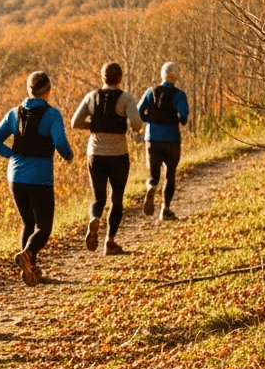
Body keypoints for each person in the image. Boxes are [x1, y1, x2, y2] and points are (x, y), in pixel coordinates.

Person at [0, 71, 74, 286]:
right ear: (48, 90)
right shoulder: (52, 115)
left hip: (15, 177)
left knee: (28, 222)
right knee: (44, 228)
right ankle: (27, 256)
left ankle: (30, 270)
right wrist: (69, 156)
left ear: (29, 89)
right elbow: (61, 143)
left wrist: (13, 156)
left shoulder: (14, 113)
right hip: (40, 178)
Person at [71, 62, 142, 255]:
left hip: (95, 154)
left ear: (103, 78)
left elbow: (74, 122)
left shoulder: (91, 97)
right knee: (116, 198)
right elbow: (136, 124)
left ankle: (94, 218)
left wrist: (95, 126)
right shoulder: (125, 98)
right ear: (119, 78)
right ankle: (110, 241)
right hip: (118, 155)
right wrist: (134, 127)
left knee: (98, 198)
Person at [137, 61, 190, 220]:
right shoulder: (179, 95)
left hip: (152, 138)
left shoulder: (150, 91)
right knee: (170, 175)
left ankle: (151, 185)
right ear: (176, 76)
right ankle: (165, 210)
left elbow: (139, 110)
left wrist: (148, 120)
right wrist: (181, 119)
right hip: (172, 139)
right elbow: (183, 116)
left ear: (162, 75)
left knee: (154, 174)